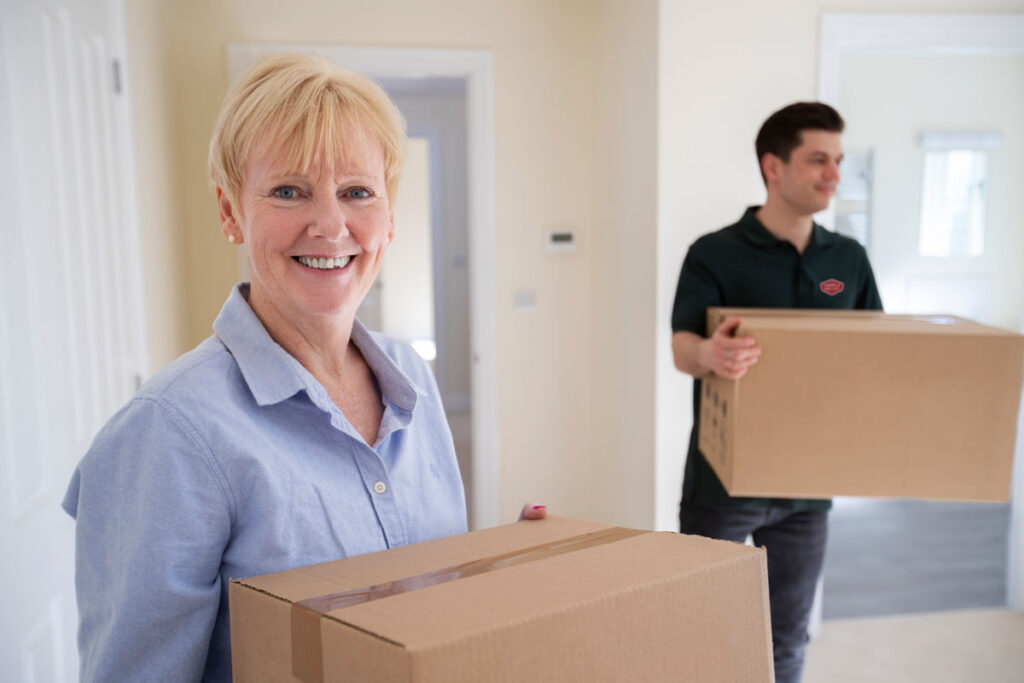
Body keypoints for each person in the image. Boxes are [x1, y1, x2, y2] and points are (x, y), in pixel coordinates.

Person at [62, 52, 544, 682]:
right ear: (231, 211)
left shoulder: (410, 379)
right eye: (289, 191)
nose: (330, 224)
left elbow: (416, 605)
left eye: (357, 192)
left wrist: (506, 567)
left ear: (389, 218)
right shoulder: (169, 433)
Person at [670, 102, 882, 683]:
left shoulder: (849, 259)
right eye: (818, 160)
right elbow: (682, 344)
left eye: (838, 160)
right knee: (703, 632)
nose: (834, 173)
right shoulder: (714, 252)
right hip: (722, 482)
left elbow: (875, 350)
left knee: (787, 640)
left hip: (808, 486)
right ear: (773, 166)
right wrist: (711, 354)